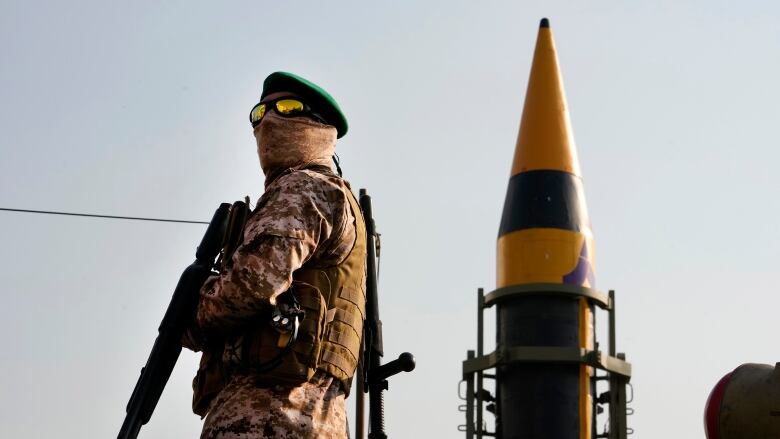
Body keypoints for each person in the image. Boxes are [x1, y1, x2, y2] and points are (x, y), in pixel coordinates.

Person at [183, 71, 366, 439]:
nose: (268, 120)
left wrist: (192, 310)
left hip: (272, 416)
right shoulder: (332, 196)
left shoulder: (303, 187)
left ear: (318, 125)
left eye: (287, 108)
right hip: (309, 417)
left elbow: (249, 286)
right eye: (258, 113)